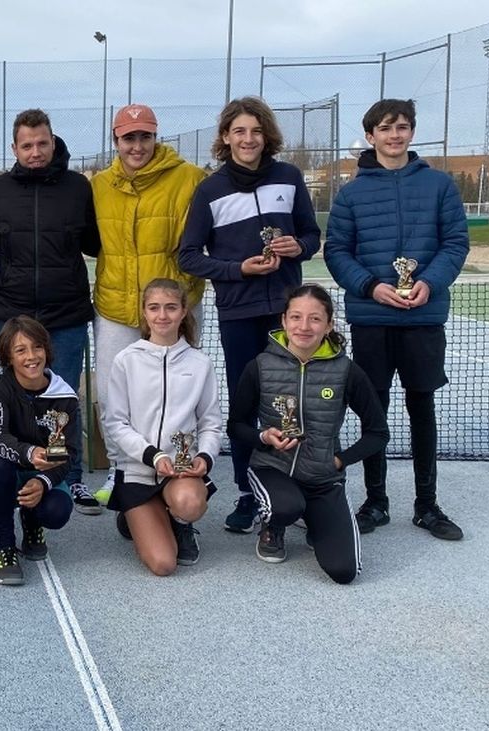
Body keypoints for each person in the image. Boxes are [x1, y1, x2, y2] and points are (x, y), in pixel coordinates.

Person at [324, 98, 469, 541]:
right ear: (370, 136)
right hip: (372, 318)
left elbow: (455, 243)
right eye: (385, 128)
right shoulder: (350, 194)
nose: (395, 135)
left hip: (424, 317)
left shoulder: (440, 187)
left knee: (421, 407)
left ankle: (427, 505)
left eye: (402, 127)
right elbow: (337, 252)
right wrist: (371, 286)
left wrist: (430, 283)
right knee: (375, 410)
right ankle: (376, 502)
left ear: (411, 132)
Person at [177, 96, 321, 534]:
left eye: (255, 131)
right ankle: (246, 491)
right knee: (245, 403)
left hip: (286, 313)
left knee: (289, 400)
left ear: (266, 136)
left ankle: (289, 487)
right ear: (226, 137)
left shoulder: (290, 178)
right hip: (238, 311)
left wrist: (300, 246)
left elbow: (311, 236)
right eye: (239, 131)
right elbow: (187, 256)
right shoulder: (210, 189)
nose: (248, 138)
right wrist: (236, 269)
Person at [228, 284, 388, 584]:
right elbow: (235, 426)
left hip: (323, 477)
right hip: (271, 468)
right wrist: (264, 438)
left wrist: (339, 461)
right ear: (284, 321)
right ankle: (273, 526)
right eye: (296, 317)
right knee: (286, 506)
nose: (304, 326)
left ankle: (313, 516)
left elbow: (378, 433)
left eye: (315, 319)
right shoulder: (260, 366)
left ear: (328, 325)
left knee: (344, 572)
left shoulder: (347, 371)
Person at [0, 108, 102, 516]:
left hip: (66, 315)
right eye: (26, 145)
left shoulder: (78, 188)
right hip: (14, 315)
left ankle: (69, 479)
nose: (35, 152)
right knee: (17, 400)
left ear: (53, 143)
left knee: (63, 399)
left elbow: (94, 244)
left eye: (42, 143)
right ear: (14, 148)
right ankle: (20, 472)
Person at [92, 104, 208, 503]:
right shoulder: (99, 185)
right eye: (129, 137)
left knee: (180, 392)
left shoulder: (190, 178)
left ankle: (181, 464)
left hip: (174, 307)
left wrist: (185, 293)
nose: (137, 145)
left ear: (156, 137)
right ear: (116, 141)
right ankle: (120, 471)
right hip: (117, 307)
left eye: (145, 136)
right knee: (111, 394)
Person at [103, 279, 222, 575]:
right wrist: (153, 456)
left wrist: (204, 457)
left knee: (190, 503)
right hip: (137, 472)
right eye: (154, 308)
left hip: (181, 474)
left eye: (171, 308)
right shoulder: (126, 360)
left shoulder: (200, 363)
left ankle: (181, 522)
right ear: (144, 312)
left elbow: (210, 422)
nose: (162, 316)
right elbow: (115, 422)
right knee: (163, 564)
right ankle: (134, 514)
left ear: (184, 312)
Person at [0, 316, 79, 586]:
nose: (31, 356)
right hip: (5, 472)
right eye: (20, 350)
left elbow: (70, 452)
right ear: (8, 357)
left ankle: (33, 522)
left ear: (47, 350)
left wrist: (43, 481)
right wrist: (31, 452)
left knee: (57, 512)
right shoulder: (0, 388)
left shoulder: (65, 396)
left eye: (37, 347)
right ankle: (5, 548)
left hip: (47, 475)